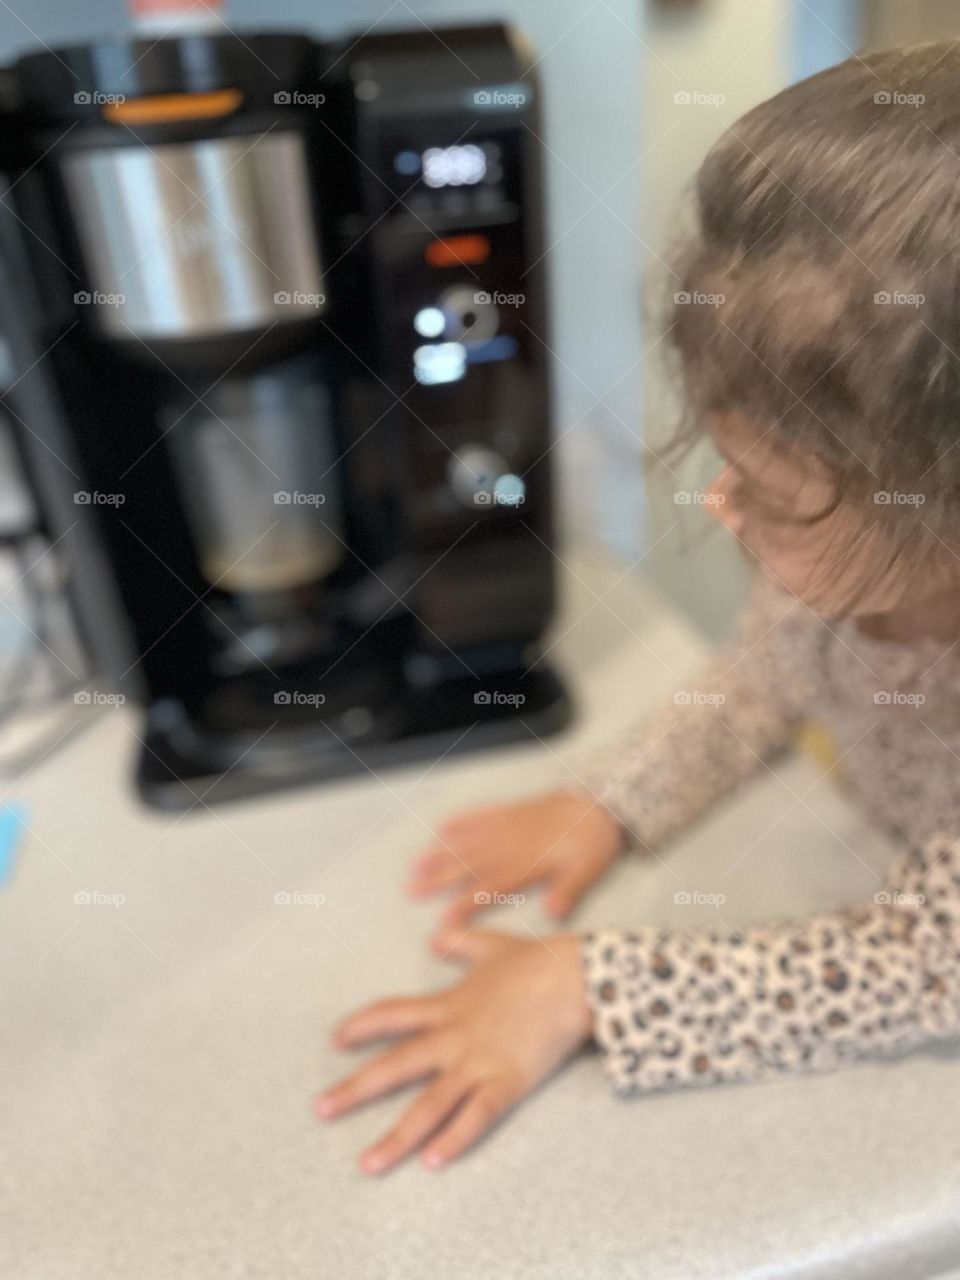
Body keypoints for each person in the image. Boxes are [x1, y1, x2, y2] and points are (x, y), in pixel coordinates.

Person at [316, 38, 960, 1173]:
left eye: (769, 493)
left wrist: (588, 982)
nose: (722, 504)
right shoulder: (849, 580)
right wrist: (609, 803)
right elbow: (762, 677)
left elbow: (926, 963)